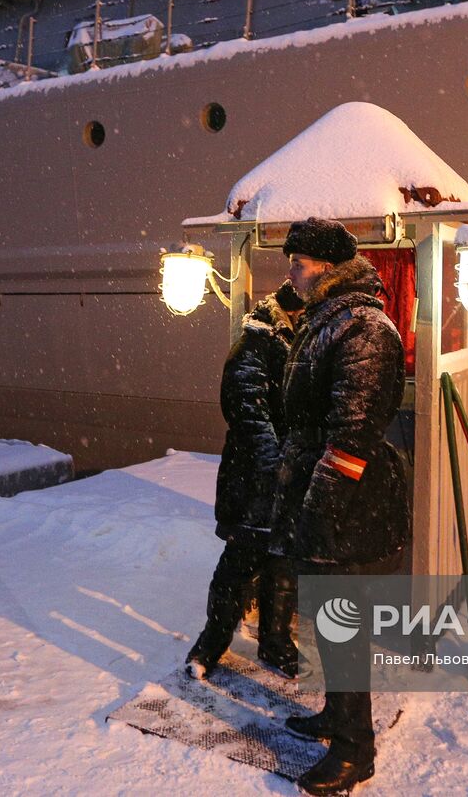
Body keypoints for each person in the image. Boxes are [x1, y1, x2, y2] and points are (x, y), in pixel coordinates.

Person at [270, 217, 410, 795]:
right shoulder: (330, 320)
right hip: (320, 494)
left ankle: (356, 750)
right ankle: (337, 716)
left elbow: (351, 438)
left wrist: (319, 512)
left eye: (297, 262)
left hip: (343, 504)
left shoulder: (364, 328)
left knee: (342, 623)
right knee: (331, 622)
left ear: (326, 266)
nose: (291, 272)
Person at [186, 281, 309, 680]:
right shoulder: (256, 344)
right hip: (254, 482)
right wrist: (277, 464)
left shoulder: (295, 344)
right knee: (238, 565)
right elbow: (247, 413)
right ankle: (212, 643)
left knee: (282, 562)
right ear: (291, 313)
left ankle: (275, 643)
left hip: (284, 480)